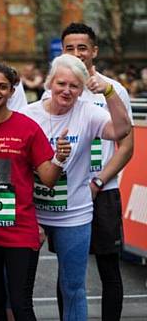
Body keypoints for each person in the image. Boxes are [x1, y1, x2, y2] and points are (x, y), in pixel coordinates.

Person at [21, 54, 131, 321]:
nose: (67, 91)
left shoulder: (89, 113)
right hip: (33, 214)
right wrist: (28, 217)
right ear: (49, 83)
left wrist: (108, 91)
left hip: (74, 213)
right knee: (21, 291)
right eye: (61, 84)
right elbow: (20, 168)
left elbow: (122, 129)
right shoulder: (27, 115)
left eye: (74, 86)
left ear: (82, 90)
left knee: (73, 288)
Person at [0, 63, 72, 320]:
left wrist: (59, 158)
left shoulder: (27, 127)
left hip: (19, 232)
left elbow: (47, 178)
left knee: (21, 304)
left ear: (12, 91)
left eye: (2, 86)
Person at [55, 23, 135, 321]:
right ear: (62, 51)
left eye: (82, 47)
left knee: (108, 267)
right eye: (69, 48)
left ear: (94, 51)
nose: (76, 54)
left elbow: (126, 147)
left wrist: (99, 181)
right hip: (67, 193)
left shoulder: (114, 90)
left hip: (103, 191)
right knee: (68, 270)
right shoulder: (60, 89)